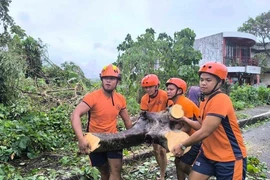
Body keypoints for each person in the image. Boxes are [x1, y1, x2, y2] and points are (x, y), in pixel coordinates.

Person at [172, 61, 247, 180]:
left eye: (208, 80)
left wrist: (182, 145)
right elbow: (200, 125)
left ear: (220, 82)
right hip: (208, 154)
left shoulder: (221, 99)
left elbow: (205, 131)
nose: (203, 83)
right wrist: (183, 119)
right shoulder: (204, 100)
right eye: (201, 80)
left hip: (229, 157)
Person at [71, 64, 133, 180]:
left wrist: (132, 138)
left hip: (113, 139)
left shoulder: (120, 99)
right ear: (102, 79)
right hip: (95, 140)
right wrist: (81, 138)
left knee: (116, 170)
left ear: (117, 81)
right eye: (106, 78)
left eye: (112, 78)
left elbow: (127, 120)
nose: (108, 81)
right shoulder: (92, 97)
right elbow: (75, 115)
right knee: (104, 171)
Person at [165, 78, 201, 180]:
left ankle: (200, 177)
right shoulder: (172, 104)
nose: (168, 91)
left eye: (171, 89)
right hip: (185, 137)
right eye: (167, 89)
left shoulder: (185, 103)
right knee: (178, 162)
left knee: (183, 165)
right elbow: (178, 124)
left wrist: (173, 137)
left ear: (180, 91)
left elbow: (187, 127)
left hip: (195, 138)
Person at [140, 74, 171, 180]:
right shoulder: (145, 99)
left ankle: (162, 175)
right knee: (156, 150)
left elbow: (170, 109)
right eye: (146, 88)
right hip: (152, 125)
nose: (148, 89)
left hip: (165, 124)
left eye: (150, 87)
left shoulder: (165, 95)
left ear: (156, 86)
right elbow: (144, 114)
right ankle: (162, 168)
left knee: (162, 150)